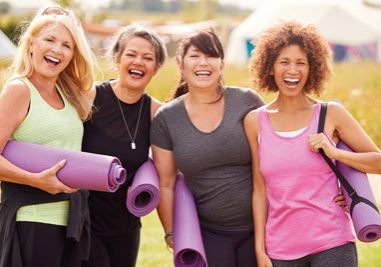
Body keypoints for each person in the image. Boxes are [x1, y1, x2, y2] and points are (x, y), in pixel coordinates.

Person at [244, 20, 381, 267]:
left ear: (312, 69)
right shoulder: (255, 121)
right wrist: (259, 247)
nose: (292, 70)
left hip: (332, 242)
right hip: (280, 248)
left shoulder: (330, 114)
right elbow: (259, 189)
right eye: (284, 62)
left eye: (301, 63)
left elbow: (378, 162)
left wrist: (335, 152)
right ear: (270, 68)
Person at [150, 28, 264, 267]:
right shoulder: (167, 118)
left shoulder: (247, 102)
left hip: (263, 226)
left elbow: (281, 153)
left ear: (221, 64)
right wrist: (171, 232)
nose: (203, 63)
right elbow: (166, 183)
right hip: (208, 232)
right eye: (195, 56)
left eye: (211, 55)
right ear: (181, 64)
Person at [0, 4, 95, 267]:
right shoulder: (19, 90)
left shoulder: (70, 94)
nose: (57, 50)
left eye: (67, 45)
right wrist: (35, 180)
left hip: (72, 221)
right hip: (32, 220)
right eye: (49, 40)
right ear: (30, 44)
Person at [81, 24, 167, 267]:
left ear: (156, 67)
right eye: (131, 54)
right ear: (117, 59)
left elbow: (166, 170)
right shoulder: (89, 98)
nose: (138, 61)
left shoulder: (156, 113)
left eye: (148, 58)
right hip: (85, 221)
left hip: (127, 224)